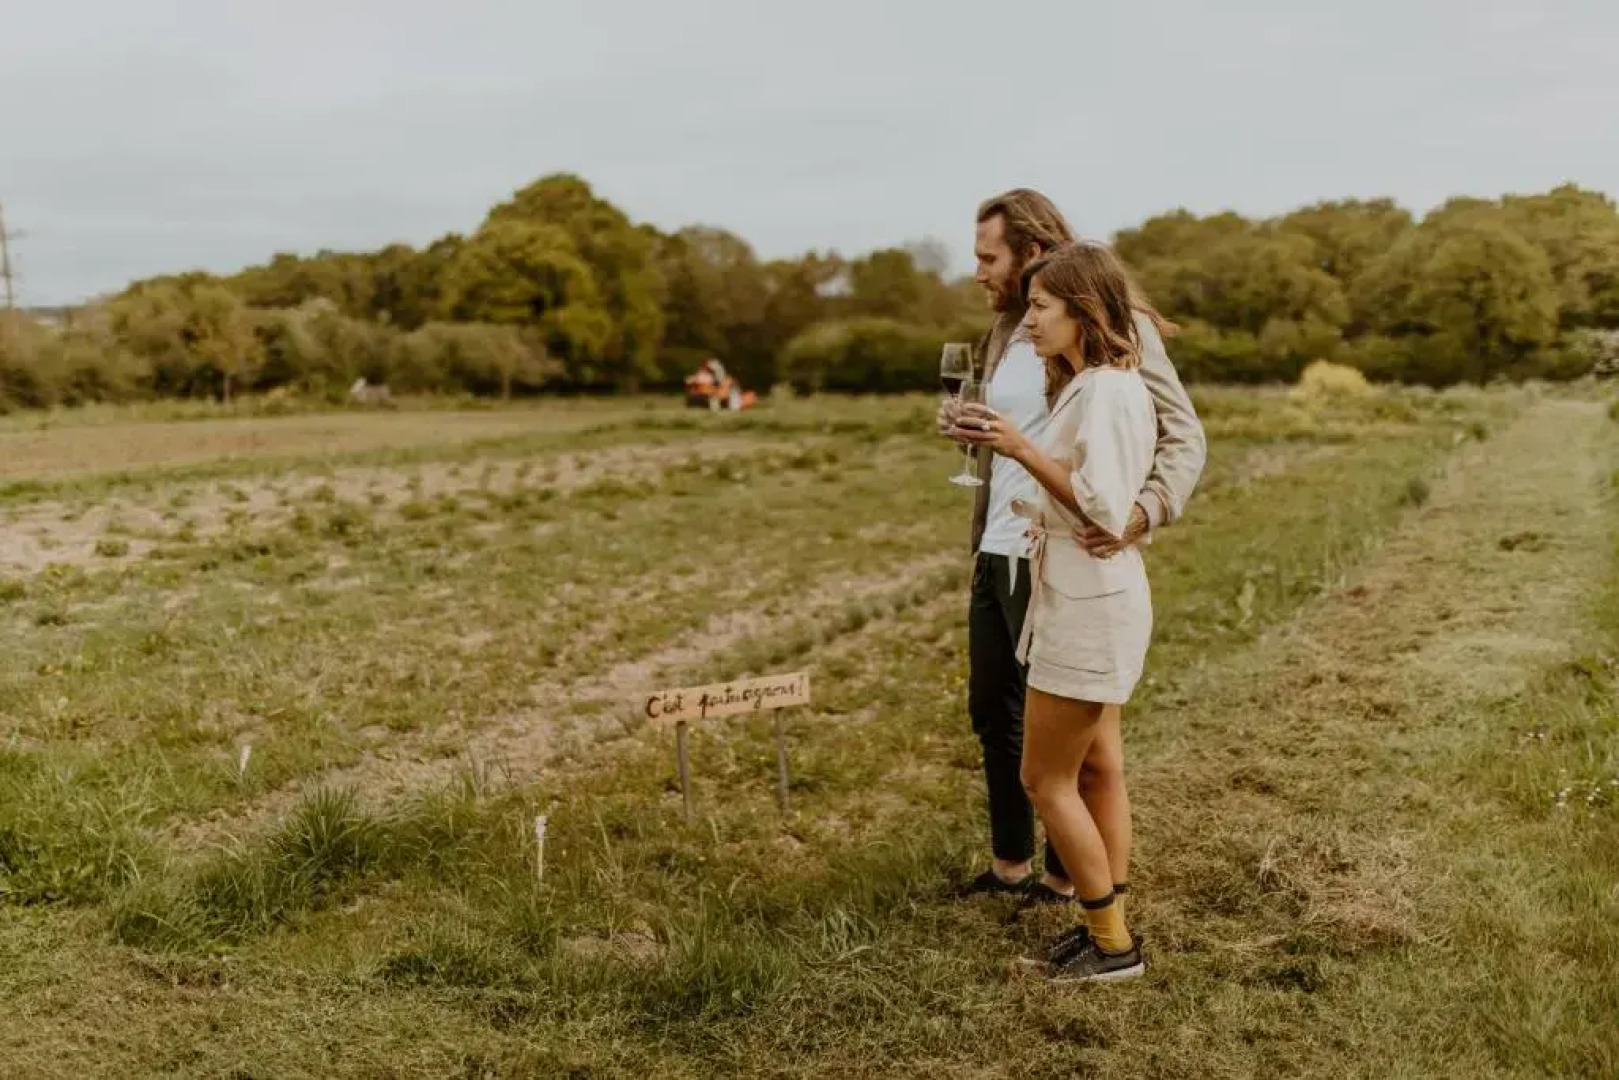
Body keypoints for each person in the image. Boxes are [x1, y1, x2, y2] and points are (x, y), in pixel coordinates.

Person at [937, 191, 1204, 914]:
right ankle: (1011, 867)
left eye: (988, 257)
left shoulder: (1113, 328)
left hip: (1061, 557)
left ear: (1029, 252)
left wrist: (1140, 513)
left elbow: (1181, 434)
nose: (978, 273)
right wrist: (966, 429)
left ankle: (1076, 890)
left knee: (1071, 747)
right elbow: (1024, 428)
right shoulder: (1008, 327)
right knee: (994, 714)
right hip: (1000, 544)